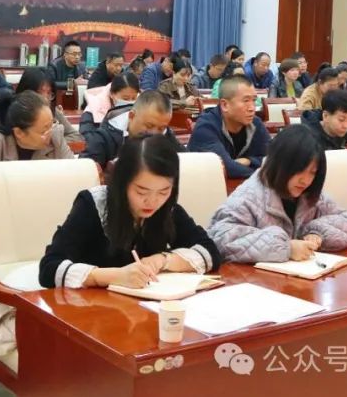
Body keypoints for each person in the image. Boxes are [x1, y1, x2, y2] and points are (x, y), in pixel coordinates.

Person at [39, 135, 221, 289]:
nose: (153, 201)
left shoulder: (167, 209)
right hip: (91, 308)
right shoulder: (93, 205)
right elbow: (49, 269)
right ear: (122, 183)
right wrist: (114, 276)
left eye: (164, 191)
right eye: (141, 192)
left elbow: (209, 251)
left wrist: (162, 260)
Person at [208, 126, 347, 262]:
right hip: (256, 281)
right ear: (280, 164)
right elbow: (219, 239)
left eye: (312, 172)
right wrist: (286, 247)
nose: (306, 180)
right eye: (299, 170)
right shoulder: (248, 196)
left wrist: (317, 232)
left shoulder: (311, 194)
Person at [188, 75, 269, 179]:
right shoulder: (206, 127)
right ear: (225, 105)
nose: (252, 108)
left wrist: (249, 161)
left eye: (254, 100)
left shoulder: (255, 123)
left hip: (245, 186)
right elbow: (227, 168)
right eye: (246, 101)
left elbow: (274, 159)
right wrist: (265, 174)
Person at [82, 90, 181, 168]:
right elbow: (85, 175)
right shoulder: (103, 138)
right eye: (149, 126)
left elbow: (185, 166)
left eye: (161, 128)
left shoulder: (167, 137)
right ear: (131, 116)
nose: (154, 134)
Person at [0, 92, 74, 164]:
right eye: (43, 131)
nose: (50, 133)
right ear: (19, 133)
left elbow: (74, 175)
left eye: (52, 125)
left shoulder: (56, 138)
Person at [15, 67, 83, 144]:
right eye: (39, 92)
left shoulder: (52, 111)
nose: (45, 99)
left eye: (49, 93)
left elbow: (76, 136)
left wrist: (51, 142)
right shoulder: (14, 112)